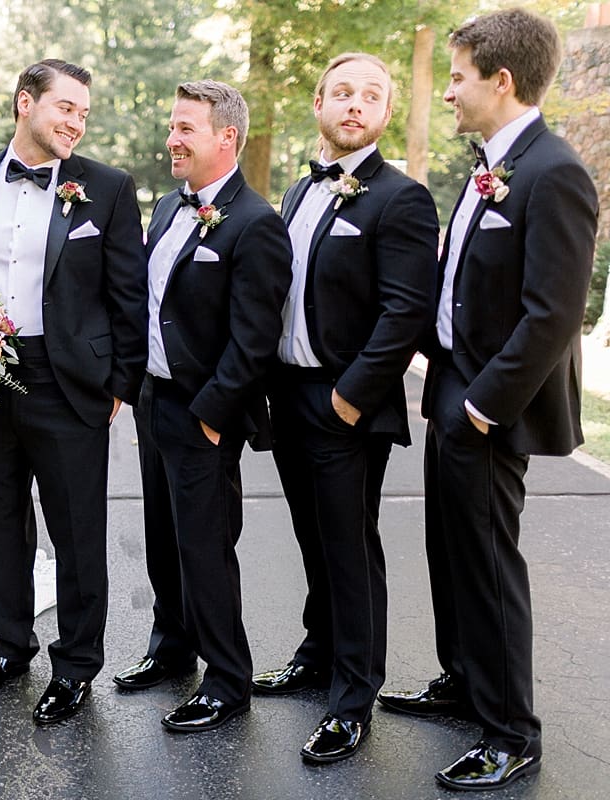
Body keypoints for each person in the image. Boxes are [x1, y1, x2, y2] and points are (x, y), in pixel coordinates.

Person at [377, 9, 598, 792]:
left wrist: (481, 407)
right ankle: (464, 680)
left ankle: (511, 732)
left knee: (489, 564)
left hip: (488, 407)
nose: (448, 94)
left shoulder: (555, 172)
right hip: (448, 389)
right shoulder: (490, 164)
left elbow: (553, 314)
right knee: (450, 551)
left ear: (501, 81)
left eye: (460, 77)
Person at [0, 59, 148, 725]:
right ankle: (10, 648)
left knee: (77, 529)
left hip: (70, 381)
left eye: (83, 113)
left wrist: (120, 383)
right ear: (24, 102)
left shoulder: (107, 188)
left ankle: (77, 664)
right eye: (65, 108)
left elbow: (129, 293)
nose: (75, 122)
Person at [248, 53, 438, 763]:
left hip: (344, 403)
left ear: (385, 113)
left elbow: (406, 312)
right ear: (319, 104)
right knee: (312, 538)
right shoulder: (299, 192)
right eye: (342, 93)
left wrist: (348, 399)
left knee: (349, 550)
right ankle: (318, 650)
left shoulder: (402, 198)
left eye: (372, 95)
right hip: (289, 394)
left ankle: (352, 699)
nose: (356, 105)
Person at [109, 80, 292, 734]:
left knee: (205, 548)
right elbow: (146, 304)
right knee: (163, 536)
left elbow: (255, 337)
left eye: (186, 127)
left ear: (227, 138)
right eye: (172, 125)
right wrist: (131, 388)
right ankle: (171, 645)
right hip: (155, 400)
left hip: (205, 411)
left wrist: (213, 414)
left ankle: (226, 679)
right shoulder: (164, 209)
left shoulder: (255, 223)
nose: (172, 140)